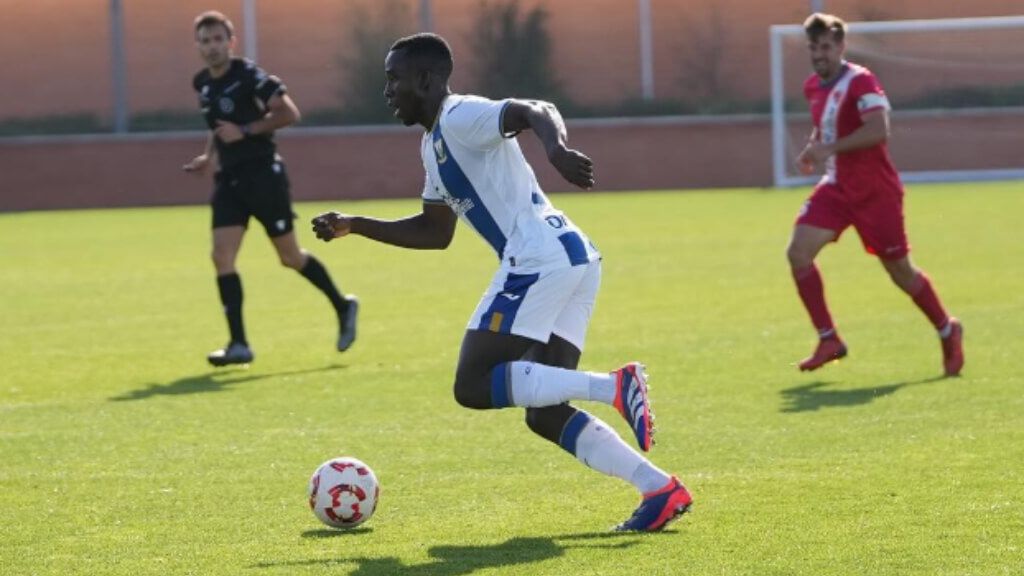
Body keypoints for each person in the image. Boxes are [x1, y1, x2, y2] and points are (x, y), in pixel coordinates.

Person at [311, 33, 691, 531]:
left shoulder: (459, 115)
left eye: (394, 78)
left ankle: (614, 385)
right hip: (571, 256)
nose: (387, 90)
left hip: (538, 257)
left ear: (425, 80)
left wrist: (556, 149)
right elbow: (434, 231)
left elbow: (534, 107)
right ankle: (659, 489)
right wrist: (356, 225)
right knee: (545, 412)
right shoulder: (433, 145)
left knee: (471, 384)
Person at [789, 13, 964, 376]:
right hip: (836, 188)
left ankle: (947, 329)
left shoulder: (861, 81)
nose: (818, 54)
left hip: (875, 192)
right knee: (798, 252)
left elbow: (879, 129)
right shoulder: (813, 86)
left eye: (825, 47)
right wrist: (813, 149)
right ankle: (828, 338)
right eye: (813, 47)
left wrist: (829, 147)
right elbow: (824, 128)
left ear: (840, 47)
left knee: (900, 272)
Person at [183, 11, 357, 366]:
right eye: (205, 40)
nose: (212, 46)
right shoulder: (202, 83)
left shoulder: (249, 76)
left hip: (263, 176)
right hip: (229, 181)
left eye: (218, 39)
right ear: (198, 46)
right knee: (221, 256)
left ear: (230, 43)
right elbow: (219, 126)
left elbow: (288, 113)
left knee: (289, 257)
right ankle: (239, 345)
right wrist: (208, 155)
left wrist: (245, 131)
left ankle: (343, 305)